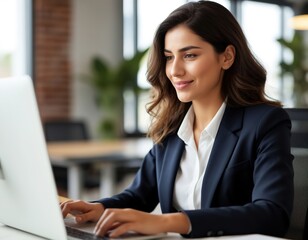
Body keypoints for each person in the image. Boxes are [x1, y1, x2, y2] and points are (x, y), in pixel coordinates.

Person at [61, 1, 294, 238]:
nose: (174, 70)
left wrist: (169, 222)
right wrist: (99, 208)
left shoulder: (265, 123)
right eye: (169, 57)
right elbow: (140, 194)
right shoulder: (171, 126)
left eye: (189, 55)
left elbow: (272, 214)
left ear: (227, 57)